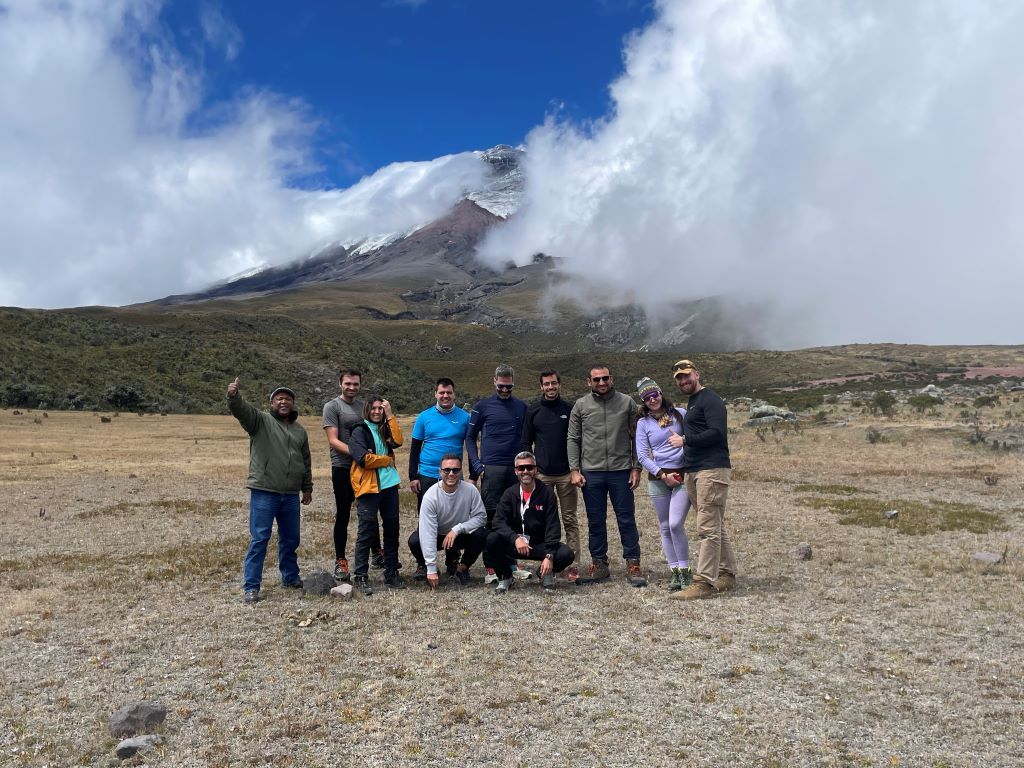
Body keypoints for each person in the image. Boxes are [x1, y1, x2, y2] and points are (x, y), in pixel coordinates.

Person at [226, 378, 312, 604]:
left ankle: (290, 578)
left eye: (288, 399)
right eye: (279, 398)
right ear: (272, 403)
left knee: (291, 539)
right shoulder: (260, 421)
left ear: (292, 403)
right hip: (265, 490)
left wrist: (307, 488)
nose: (284, 402)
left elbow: (305, 461)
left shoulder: (299, 431)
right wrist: (234, 397)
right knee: (260, 538)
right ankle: (251, 586)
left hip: (290, 494)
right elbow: (242, 411)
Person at [567, 364, 647, 587]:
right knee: (595, 520)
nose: (601, 382)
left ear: (611, 379)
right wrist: (574, 469)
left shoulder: (627, 403)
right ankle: (599, 564)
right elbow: (573, 438)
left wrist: (636, 467)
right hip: (592, 472)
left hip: (621, 471)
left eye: (605, 378)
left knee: (626, 518)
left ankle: (633, 563)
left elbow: (637, 437)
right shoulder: (581, 405)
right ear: (589, 382)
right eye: (596, 379)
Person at [669, 359, 737, 600]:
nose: (683, 381)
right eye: (679, 378)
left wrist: (685, 440)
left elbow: (717, 433)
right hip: (695, 470)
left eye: (686, 375)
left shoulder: (710, 400)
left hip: (711, 470)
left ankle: (704, 582)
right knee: (714, 524)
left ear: (697, 374)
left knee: (707, 528)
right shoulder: (694, 401)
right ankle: (727, 574)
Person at [466, 363, 529, 583]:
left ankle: (512, 562)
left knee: (515, 516)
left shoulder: (522, 407)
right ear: (494, 381)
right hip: (491, 470)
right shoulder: (482, 406)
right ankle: (491, 566)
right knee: (491, 519)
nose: (504, 390)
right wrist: (477, 466)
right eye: (501, 386)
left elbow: (528, 438)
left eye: (508, 387)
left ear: (514, 384)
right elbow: (469, 438)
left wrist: (526, 466)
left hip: (515, 470)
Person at [322, 369, 384, 582]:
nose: (351, 387)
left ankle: (377, 552)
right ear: (340, 384)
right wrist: (359, 453)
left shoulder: (363, 406)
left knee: (369, 511)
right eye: (348, 383)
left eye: (355, 384)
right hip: (343, 466)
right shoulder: (332, 407)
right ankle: (340, 560)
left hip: (365, 467)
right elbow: (333, 440)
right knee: (343, 513)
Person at [521, 368, 581, 581]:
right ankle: (546, 560)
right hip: (542, 476)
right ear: (541, 386)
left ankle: (573, 564)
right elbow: (525, 442)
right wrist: (530, 470)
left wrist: (576, 469)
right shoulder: (533, 411)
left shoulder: (569, 409)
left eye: (553, 383)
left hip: (566, 474)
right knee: (542, 520)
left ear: (559, 384)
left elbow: (577, 440)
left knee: (569, 518)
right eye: (546, 384)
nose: (550, 387)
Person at [485, 452, 575, 593]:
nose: (525, 471)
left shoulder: (547, 493)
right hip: (515, 544)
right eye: (521, 468)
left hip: (539, 544)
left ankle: (545, 573)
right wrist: (515, 538)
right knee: (491, 539)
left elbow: (553, 526)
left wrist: (549, 556)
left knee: (566, 553)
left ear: (536, 470)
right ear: (516, 471)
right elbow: (498, 522)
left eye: (529, 467)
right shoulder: (509, 493)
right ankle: (505, 576)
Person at [634, 377, 693, 591]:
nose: (652, 399)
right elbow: (642, 455)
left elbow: (693, 438)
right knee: (665, 526)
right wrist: (661, 474)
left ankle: (686, 571)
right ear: (643, 401)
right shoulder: (643, 423)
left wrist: (684, 443)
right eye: (647, 397)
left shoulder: (680, 414)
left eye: (654, 394)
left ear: (660, 393)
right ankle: (675, 572)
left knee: (676, 523)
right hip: (659, 478)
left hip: (682, 475)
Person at [349, 394, 405, 594]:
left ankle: (391, 572)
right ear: (367, 409)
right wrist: (385, 460)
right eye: (373, 408)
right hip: (368, 487)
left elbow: (398, 441)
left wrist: (390, 415)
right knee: (366, 531)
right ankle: (361, 576)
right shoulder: (359, 430)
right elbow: (363, 459)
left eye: (380, 408)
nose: (376, 412)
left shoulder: (384, 428)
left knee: (392, 529)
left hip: (390, 486)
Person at [409, 454, 488, 588]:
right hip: (438, 535)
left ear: (461, 471)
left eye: (455, 470)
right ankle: (424, 566)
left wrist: (457, 529)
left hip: (458, 535)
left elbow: (481, 518)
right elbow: (428, 533)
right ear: (440, 472)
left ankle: (462, 568)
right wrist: (432, 568)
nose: (451, 474)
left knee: (482, 534)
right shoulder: (430, 496)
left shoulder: (471, 490)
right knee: (415, 541)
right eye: (446, 470)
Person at [408, 378, 470, 510]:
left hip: (454, 474)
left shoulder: (465, 417)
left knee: (455, 514)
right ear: (435, 394)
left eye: (449, 392)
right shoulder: (424, 417)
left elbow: (471, 447)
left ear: (454, 394)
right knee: (427, 514)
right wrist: (413, 476)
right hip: (427, 474)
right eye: (442, 392)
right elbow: (415, 448)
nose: (445, 396)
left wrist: (473, 476)